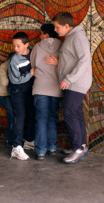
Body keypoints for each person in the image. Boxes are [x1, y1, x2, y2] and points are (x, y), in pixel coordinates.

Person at [45, 12, 92, 164]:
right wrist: (58, 63)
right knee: (76, 112)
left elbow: (84, 60)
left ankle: (78, 148)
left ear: (66, 26)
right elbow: (72, 60)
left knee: (69, 112)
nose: (56, 30)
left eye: (57, 27)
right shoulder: (71, 37)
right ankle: (81, 146)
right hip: (74, 82)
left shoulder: (78, 37)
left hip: (76, 83)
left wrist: (69, 79)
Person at [30, 24, 63, 161]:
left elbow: (32, 64)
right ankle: (52, 147)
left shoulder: (37, 47)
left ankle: (40, 151)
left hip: (41, 88)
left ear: (47, 35)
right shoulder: (62, 46)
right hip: (56, 89)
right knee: (51, 118)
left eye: (41, 33)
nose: (39, 36)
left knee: (41, 119)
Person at [8, 32, 35, 160]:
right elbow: (15, 80)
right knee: (19, 117)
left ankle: (29, 141)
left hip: (30, 91)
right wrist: (31, 73)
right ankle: (16, 147)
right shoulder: (14, 59)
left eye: (18, 46)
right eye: (14, 46)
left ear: (26, 45)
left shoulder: (34, 53)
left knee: (34, 115)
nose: (16, 49)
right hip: (17, 92)